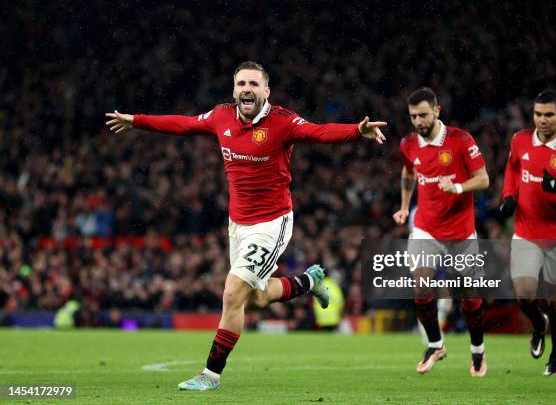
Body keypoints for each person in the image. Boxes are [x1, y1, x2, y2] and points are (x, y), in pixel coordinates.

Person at [105, 61, 386, 391]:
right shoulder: (220, 116)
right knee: (255, 298)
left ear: (266, 91)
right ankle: (309, 282)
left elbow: (318, 131)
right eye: (241, 84)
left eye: (254, 83)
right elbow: (182, 124)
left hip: (272, 223)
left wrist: (357, 130)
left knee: (232, 291)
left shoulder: (282, 121)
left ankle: (210, 375)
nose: (247, 89)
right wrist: (136, 121)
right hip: (237, 224)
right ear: (234, 90)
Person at [393, 87, 490, 377]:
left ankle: (478, 350)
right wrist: (404, 205)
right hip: (426, 228)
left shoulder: (461, 140)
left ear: (437, 111)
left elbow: (483, 179)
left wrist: (458, 187)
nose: (418, 121)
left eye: (423, 115)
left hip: (460, 231)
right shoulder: (409, 143)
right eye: (413, 116)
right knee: (421, 286)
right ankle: (435, 345)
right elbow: (409, 171)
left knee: (468, 296)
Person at [499, 88, 556, 376]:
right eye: (538, 114)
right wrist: (507, 196)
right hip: (526, 232)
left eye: (549, 114)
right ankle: (539, 324)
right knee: (524, 297)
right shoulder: (520, 140)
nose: (543, 120)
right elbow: (513, 169)